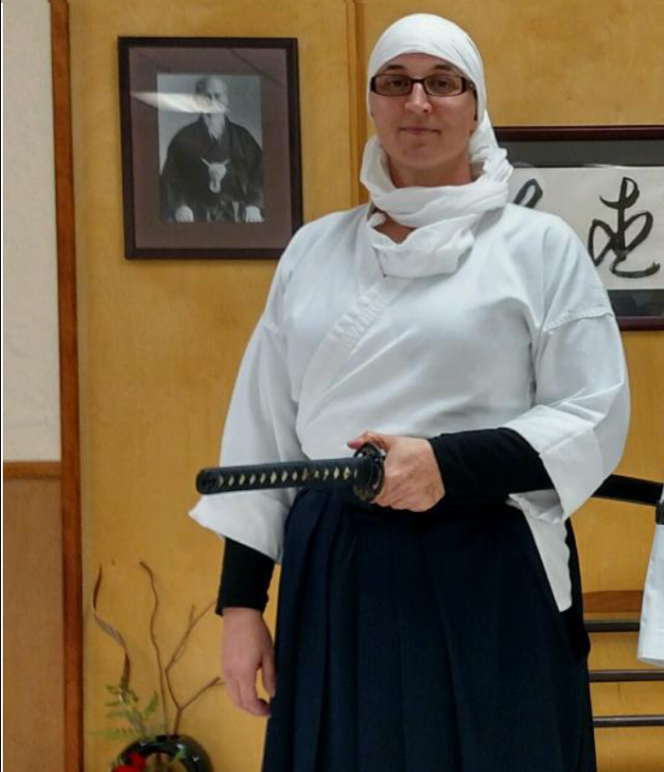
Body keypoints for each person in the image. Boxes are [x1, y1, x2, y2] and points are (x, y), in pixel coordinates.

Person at [190, 14, 630, 772]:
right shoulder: (314, 250)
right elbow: (262, 433)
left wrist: (445, 466)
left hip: (484, 554)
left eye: (441, 83)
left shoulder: (537, 247)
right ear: (373, 105)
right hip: (337, 562)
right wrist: (240, 606)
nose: (417, 102)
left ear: (474, 104)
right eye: (395, 83)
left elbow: (589, 412)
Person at [160, 75, 264, 223]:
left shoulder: (241, 136)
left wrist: (254, 204)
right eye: (206, 96)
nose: (212, 101)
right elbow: (171, 178)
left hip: (237, 213)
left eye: (218, 96)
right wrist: (180, 206)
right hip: (195, 214)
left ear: (226, 100)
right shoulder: (183, 138)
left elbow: (261, 173)